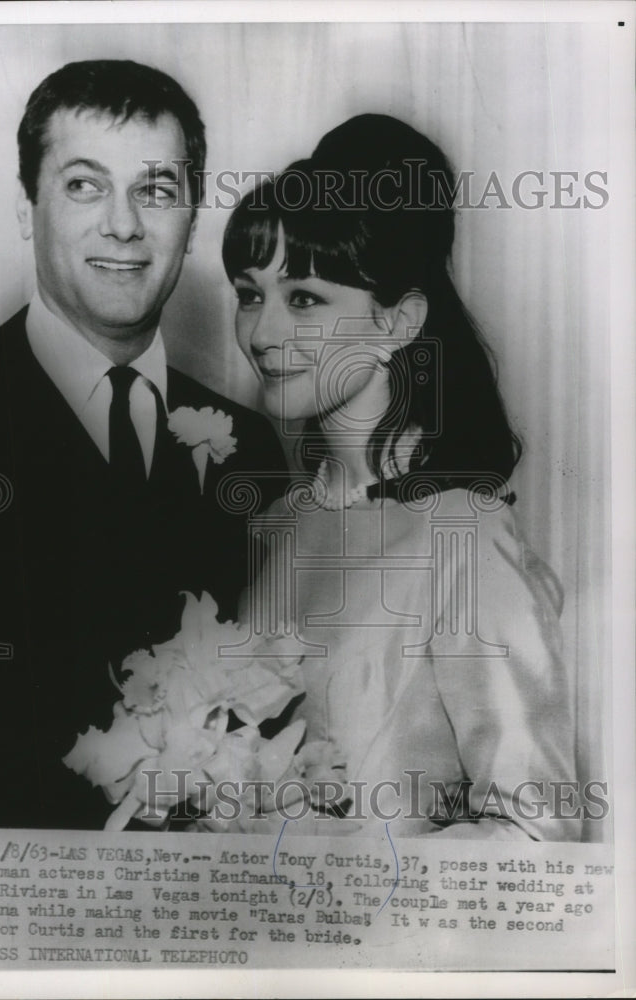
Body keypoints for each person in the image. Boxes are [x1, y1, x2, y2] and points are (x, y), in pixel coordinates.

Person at [0, 60, 286, 829]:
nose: (124, 226)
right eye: (85, 185)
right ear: (28, 207)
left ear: (192, 214)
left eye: (156, 190)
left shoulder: (251, 448)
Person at [221, 114, 580, 840]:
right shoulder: (275, 525)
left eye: (304, 299)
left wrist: (349, 900)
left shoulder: (463, 539)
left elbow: (538, 836)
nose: (260, 334)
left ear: (398, 322)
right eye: (249, 293)